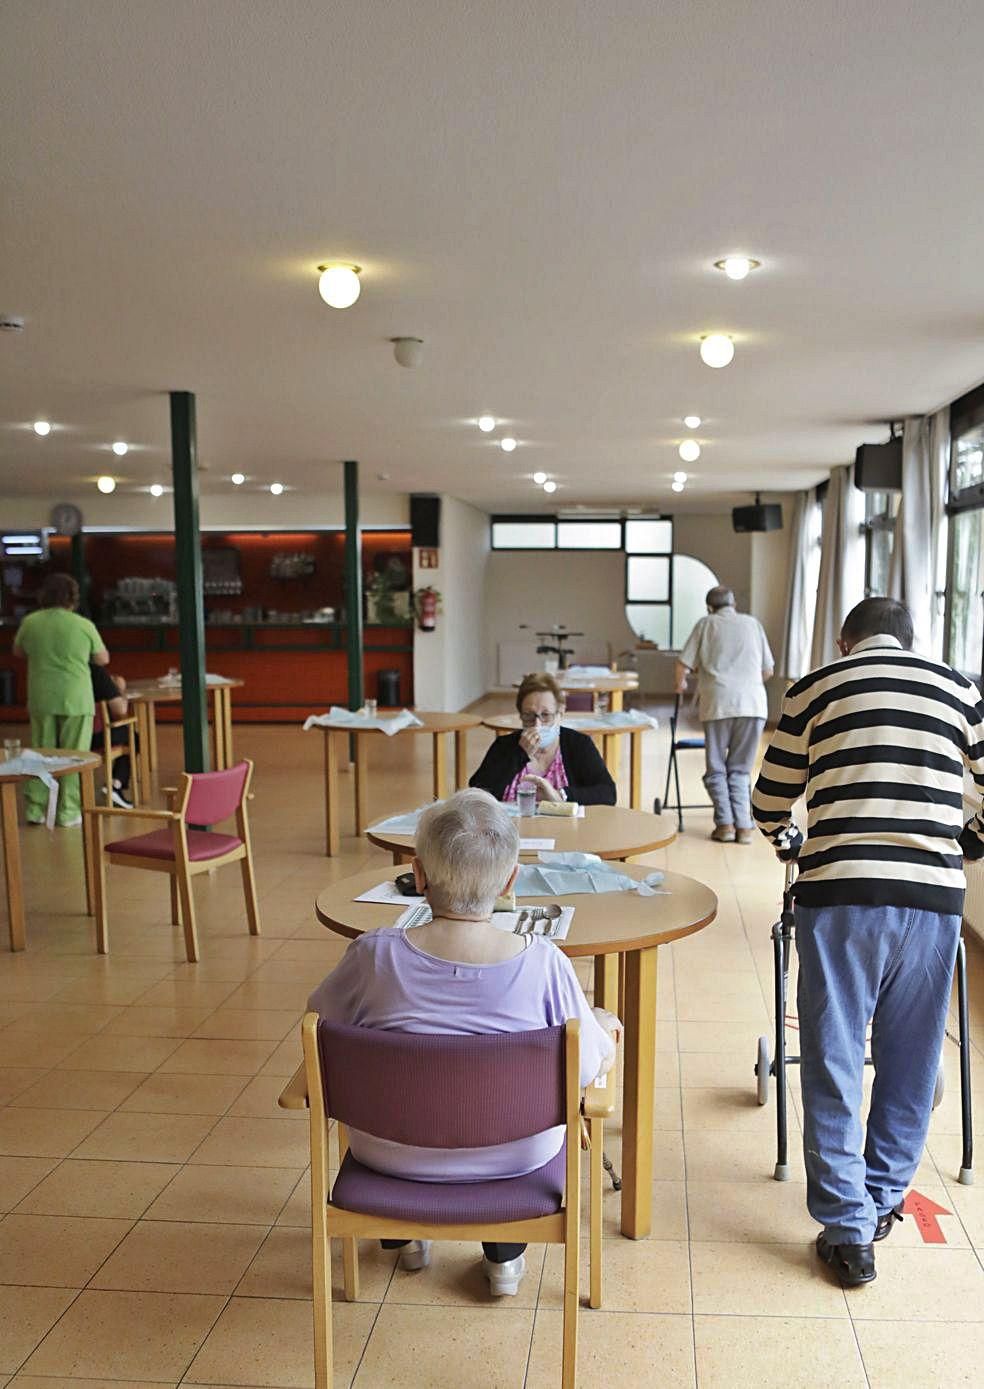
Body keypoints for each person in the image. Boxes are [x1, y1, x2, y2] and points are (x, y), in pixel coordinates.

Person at [751, 596, 983, 1288]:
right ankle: (882, 1199)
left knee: (835, 1053)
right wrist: (966, 842)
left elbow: (769, 801)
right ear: (911, 640)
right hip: (932, 904)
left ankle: (848, 1229)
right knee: (911, 1060)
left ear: (846, 640)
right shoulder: (960, 689)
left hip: (839, 897)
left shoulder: (815, 687)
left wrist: (790, 840)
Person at [307, 788, 618, 1296]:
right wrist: (604, 1028)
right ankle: (504, 1260)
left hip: (388, 1154)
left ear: (419, 875)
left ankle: (406, 1238)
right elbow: (586, 1071)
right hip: (516, 1160)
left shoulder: (373, 956)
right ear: (510, 880)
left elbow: (320, 1021)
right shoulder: (544, 964)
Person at [676, 585, 774, 843]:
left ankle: (725, 825)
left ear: (709, 607)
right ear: (734, 604)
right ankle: (745, 828)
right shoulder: (752, 624)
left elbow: (682, 665)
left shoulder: (706, 623)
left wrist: (682, 686)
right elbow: (767, 671)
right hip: (753, 704)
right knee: (740, 770)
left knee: (717, 768)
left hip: (719, 703)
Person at [13, 573, 110, 827]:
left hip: (42, 695)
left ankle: (35, 809)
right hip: (76, 697)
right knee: (74, 755)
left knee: (40, 754)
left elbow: (18, 651)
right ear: (73, 598)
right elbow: (102, 659)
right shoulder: (83, 625)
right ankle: (68, 811)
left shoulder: (30, 622)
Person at [469, 671, 616, 805]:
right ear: (520, 714)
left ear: (560, 713)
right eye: (528, 715)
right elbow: (477, 793)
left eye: (545, 715)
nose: (537, 724)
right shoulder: (504, 746)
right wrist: (520, 754)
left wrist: (561, 795)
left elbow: (608, 793)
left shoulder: (578, 745)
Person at [90, 665, 135, 808]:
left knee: (126, 734)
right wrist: (120, 690)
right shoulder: (98, 674)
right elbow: (120, 711)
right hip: (97, 737)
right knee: (132, 737)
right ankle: (116, 784)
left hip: (73, 735)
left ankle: (115, 784)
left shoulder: (72, 672)